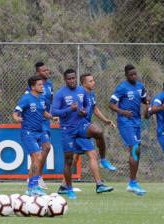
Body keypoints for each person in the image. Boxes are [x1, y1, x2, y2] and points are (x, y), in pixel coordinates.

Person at [52, 69, 113, 199]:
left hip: (81, 125)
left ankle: (103, 160)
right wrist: (70, 109)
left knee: (98, 131)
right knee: (69, 160)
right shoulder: (60, 94)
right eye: (69, 79)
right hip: (67, 129)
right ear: (65, 80)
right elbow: (54, 112)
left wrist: (84, 111)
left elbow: (87, 105)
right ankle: (69, 189)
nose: (72, 80)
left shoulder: (81, 91)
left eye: (73, 78)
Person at [109, 64, 149, 196]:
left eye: (135, 74)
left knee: (138, 151)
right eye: (131, 75)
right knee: (134, 148)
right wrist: (122, 112)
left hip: (136, 122)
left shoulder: (140, 86)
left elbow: (144, 99)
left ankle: (133, 182)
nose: (134, 76)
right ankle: (132, 183)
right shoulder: (122, 87)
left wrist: (147, 104)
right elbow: (111, 104)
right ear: (126, 75)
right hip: (125, 122)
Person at [13, 75, 52, 196]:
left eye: (42, 84)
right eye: (40, 85)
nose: (42, 87)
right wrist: (17, 119)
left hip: (40, 131)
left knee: (43, 152)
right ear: (33, 87)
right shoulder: (26, 98)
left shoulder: (41, 98)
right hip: (28, 133)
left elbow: (43, 112)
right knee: (37, 157)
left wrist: (52, 117)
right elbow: (15, 113)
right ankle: (33, 187)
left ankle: (32, 187)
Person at [26, 62, 53, 190]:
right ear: (38, 73)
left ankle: (37, 177)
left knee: (46, 147)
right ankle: (34, 179)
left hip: (45, 121)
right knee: (37, 154)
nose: (47, 72)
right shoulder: (31, 89)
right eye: (43, 70)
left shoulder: (50, 85)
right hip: (35, 123)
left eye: (47, 69)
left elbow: (49, 101)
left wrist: (50, 115)